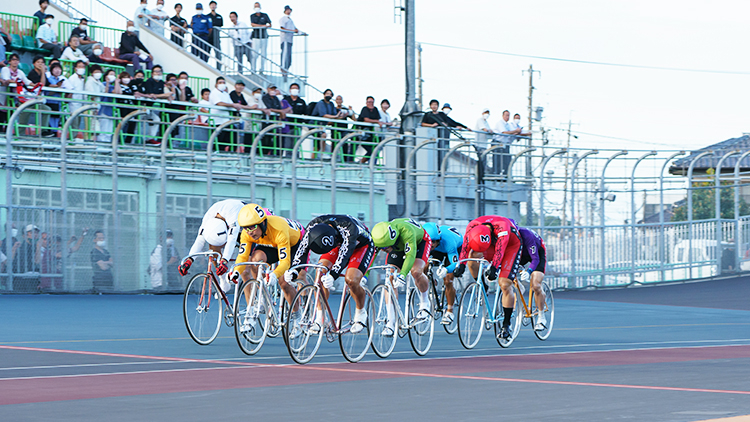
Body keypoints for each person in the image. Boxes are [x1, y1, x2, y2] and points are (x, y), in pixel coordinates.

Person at [285, 214, 375, 335]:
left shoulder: (349, 228)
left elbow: (345, 255)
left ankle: (361, 312)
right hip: (336, 245)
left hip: (360, 246)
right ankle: (321, 318)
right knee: (320, 272)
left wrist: (333, 274)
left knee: (351, 279)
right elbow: (302, 250)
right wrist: (293, 270)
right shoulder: (313, 227)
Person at [453, 215, 522, 340]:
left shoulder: (502, 227)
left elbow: (500, 251)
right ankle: (482, 285)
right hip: (489, 246)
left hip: (510, 247)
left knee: (505, 284)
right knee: (472, 254)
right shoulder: (471, 227)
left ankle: (506, 325)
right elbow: (465, 248)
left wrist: (494, 268)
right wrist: (461, 265)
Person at [230, 203, 305, 316]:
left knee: (284, 282)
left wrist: (275, 274)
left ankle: (296, 316)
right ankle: (262, 297)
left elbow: (285, 262)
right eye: (245, 228)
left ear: (263, 223)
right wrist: (236, 271)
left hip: (293, 243)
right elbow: (243, 256)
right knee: (255, 260)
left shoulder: (278, 229)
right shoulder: (247, 233)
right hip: (270, 243)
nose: (249, 232)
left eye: (252, 227)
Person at [371, 218, 433, 336]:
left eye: (385, 248)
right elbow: (372, 256)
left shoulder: (407, 232)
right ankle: (391, 321)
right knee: (390, 277)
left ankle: (425, 303)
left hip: (420, 241)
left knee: (416, 271)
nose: (384, 251)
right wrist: (365, 276)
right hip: (397, 247)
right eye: (382, 249)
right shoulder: (380, 236)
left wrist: (403, 274)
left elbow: (410, 255)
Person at [178, 199, 246, 292]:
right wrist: (189, 260)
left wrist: (224, 260)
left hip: (243, 219)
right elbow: (199, 241)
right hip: (224, 218)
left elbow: (231, 240)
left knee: (248, 252)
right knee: (213, 249)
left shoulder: (232, 217)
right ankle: (223, 281)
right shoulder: (208, 220)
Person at [510, 219, 548, 331]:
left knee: (535, 285)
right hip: (520, 254)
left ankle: (541, 317)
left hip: (536, 253)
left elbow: (535, 258)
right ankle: (519, 287)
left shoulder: (526, 235)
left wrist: (529, 271)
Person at [421, 223, 463, 325]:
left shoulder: (449, 243)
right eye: (427, 242)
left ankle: (450, 311)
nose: (430, 245)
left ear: (438, 240)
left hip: (452, 247)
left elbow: (455, 264)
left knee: (448, 280)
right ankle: (431, 284)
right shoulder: (427, 242)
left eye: (432, 243)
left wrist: (446, 270)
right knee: (424, 266)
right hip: (438, 249)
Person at [140, 64, 173, 145]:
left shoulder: (161, 83)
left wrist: (166, 97)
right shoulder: (149, 82)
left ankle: (149, 139)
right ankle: (129, 140)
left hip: (149, 108)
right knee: (135, 122)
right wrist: (165, 95)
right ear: (152, 73)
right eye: (156, 71)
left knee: (156, 119)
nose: (158, 73)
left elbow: (158, 96)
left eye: (160, 71)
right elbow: (151, 95)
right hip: (141, 106)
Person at [209, 76, 242, 150]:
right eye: (220, 82)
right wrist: (233, 105)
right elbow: (219, 103)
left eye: (223, 83)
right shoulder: (214, 93)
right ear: (216, 84)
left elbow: (231, 104)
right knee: (218, 141)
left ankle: (231, 153)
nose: (222, 84)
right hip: (217, 121)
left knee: (234, 138)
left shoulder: (225, 94)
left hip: (226, 121)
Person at [61, 60, 87, 140]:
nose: (81, 68)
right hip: (73, 106)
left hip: (81, 105)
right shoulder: (72, 78)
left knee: (78, 124)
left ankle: (73, 139)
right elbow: (69, 92)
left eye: (83, 67)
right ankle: (71, 140)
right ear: (75, 68)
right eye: (79, 66)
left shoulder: (83, 79)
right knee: (74, 125)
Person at [491, 110, 521, 176]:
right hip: (497, 142)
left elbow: (511, 132)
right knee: (497, 160)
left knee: (506, 160)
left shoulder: (508, 125)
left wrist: (518, 133)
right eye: (506, 115)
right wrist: (515, 131)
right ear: (503, 116)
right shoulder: (500, 123)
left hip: (504, 144)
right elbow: (504, 132)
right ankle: (496, 174)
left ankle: (505, 174)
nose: (507, 117)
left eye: (508, 115)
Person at [311, 89, 338, 158]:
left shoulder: (331, 104)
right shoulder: (321, 103)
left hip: (322, 125)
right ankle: (319, 155)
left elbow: (334, 115)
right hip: (315, 124)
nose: (328, 95)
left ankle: (317, 155)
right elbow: (323, 114)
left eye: (330, 94)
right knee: (322, 136)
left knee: (320, 140)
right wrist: (335, 116)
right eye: (327, 93)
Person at [83, 64, 107, 142]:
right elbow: (91, 94)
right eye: (96, 71)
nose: (98, 73)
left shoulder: (99, 82)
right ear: (92, 73)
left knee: (94, 128)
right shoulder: (90, 81)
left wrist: (107, 83)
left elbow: (104, 92)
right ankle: (87, 142)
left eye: (99, 71)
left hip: (97, 107)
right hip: (90, 106)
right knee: (89, 126)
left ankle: (92, 142)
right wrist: (94, 106)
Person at [357, 96, 383, 164]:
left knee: (374, 149)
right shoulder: (365, 109)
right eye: (369, 102)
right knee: (370, 150)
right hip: (361, 134)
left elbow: (377, 119)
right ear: (366, 102)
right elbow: (366, 120)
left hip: (370, 134)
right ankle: (362, 161)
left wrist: (376, 121)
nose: (370, 103)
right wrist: (376, 122)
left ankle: (364, 162)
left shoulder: (375, 109)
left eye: (372, 102)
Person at [114, 71, 138, 143]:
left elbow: (137, 93)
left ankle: (128, 141)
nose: (126, 79)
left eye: (127, 77)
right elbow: (118, 92)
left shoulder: (132, 86)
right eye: (124, 77)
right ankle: (118, 141)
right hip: (122, 108)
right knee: (122, 125)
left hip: (132, 108)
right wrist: (117, 82)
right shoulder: (119, 86)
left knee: (132, 126)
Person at [249, 2, 271, 73]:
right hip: (256, 37)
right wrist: (262, 26)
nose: (257, 7)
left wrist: (263, 26)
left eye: (258, 6)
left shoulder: (264, 15)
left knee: (263, 54)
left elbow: (269, 24)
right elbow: (252, 24)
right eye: (255, 6)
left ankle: (262, 69)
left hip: (264, 36)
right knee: (254, 54)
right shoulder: (252, 16)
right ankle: (253, 69)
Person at [279, 5, 298, 74]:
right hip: (285, 40)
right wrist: (291, 31)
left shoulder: (290, 20)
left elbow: (295, 29)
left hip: (290, 40)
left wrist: (300, 32)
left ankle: (286, 69)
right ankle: (283, 69)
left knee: (289, 57)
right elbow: (282, 28)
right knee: (285, 55)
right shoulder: (283, 19)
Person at [208, 1, 223, 70]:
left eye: (214, 5)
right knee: (207, 53)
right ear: (210, 6)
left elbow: (220, 26)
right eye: (212, 5)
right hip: (209, 38)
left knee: (218, 54)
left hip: (216, 37)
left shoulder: (219, 16)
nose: (213, 6)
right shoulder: (207, 16)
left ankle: (219, 69)